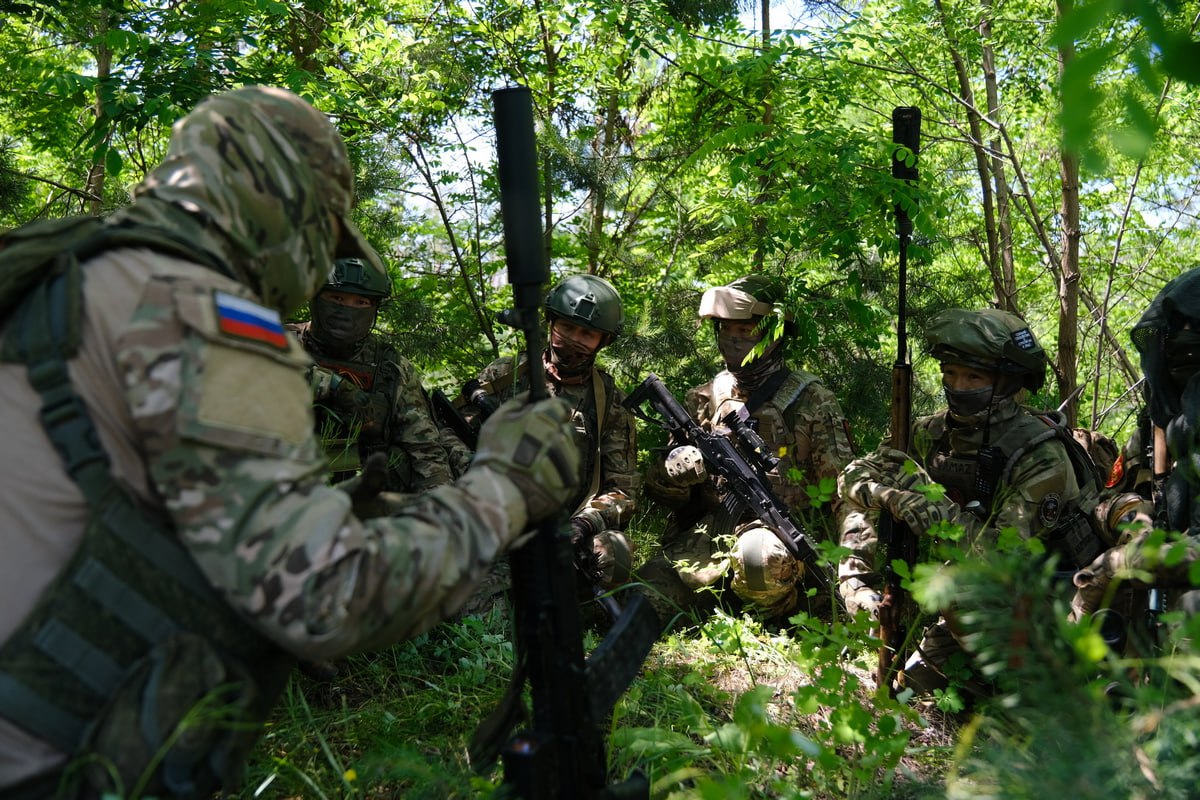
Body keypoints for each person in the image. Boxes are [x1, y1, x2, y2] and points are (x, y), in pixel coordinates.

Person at [0, 85, 580, 799]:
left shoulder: (55, 274)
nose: (318, 278)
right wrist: (505, 490)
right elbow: (321, 593)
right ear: (283, 209)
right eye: (322, 244)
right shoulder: (200, 312)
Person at [837, 308, 1106, 697]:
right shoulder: (930, 432)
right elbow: (852, 476)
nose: (958, 386)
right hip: (981, 606)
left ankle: (1041, 696)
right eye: (950, 373)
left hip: (1049, 605)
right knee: (913, 690)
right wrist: (890, 497)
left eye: (974, 376)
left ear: (1008, 380)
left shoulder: (1039, 454)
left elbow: (998, 557)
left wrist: (929, 504)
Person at [638, 275, 856, 625]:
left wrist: (853, 571)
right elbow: (659, 492)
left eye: (746, 330)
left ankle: (776, 617)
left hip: (777, 539)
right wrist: (672, 471)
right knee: (645, 600)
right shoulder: (706, 397)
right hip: (707, 537)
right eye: (727, 329)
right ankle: (717, 602)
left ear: (773, 333)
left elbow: (845, 495)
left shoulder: (812, 401)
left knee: (758, 558)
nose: (734, 340)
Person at [458, 273, 639, 610]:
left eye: (587, 334)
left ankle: (579, 607)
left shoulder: (610, 402)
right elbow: (452, 436)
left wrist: (582, 524)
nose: (573, 340)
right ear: (551, 323)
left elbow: (623, 493)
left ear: (604, 341)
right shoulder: (505, 378)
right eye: (566, 328)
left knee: (615, 552)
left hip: (566, 533)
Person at [1072, 268, 1200, 628]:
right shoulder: (1158, 424)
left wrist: (1123, 563)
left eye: (1195, 326)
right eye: (1177, 327)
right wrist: (1135, 519)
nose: (1185, 338)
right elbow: (1109, 500)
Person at [288, 255, 472, 491]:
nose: (347, 310)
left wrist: (437, 511)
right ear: (314, 297)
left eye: (361, 302)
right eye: (337, 298)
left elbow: (424, 449)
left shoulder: (391, 368)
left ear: (374, 308)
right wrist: (333, 386)